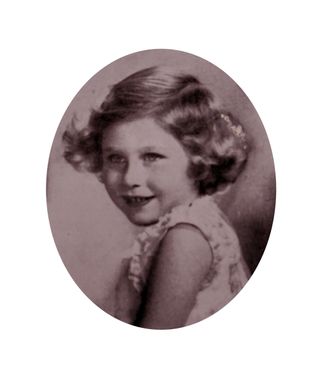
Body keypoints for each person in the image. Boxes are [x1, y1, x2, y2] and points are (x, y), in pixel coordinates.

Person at [62, 66, 250, 329]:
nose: (130, 178)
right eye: (115, 158)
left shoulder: (186, 235)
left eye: (151, 157)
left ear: (199, 156)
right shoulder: (196, 221)